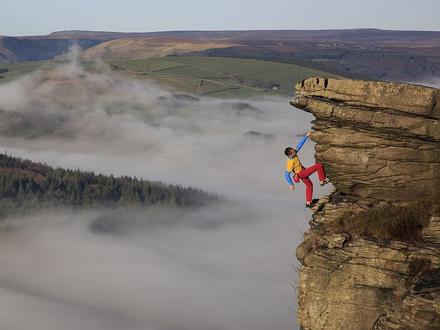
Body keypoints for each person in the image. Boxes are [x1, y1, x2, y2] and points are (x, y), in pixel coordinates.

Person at [284, 131, 329, 207]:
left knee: (309, 185)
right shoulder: (290, 162)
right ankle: (322, 180)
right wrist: (291, 184)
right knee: (318, 166)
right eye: (292, 151)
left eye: (293, 150)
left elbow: (299, 145)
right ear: (290, 154)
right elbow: (286, 174)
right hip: (301, 173)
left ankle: (308, 202)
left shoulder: (293, 154)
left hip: (301, 173)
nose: (294, 151)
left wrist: (306, 136)